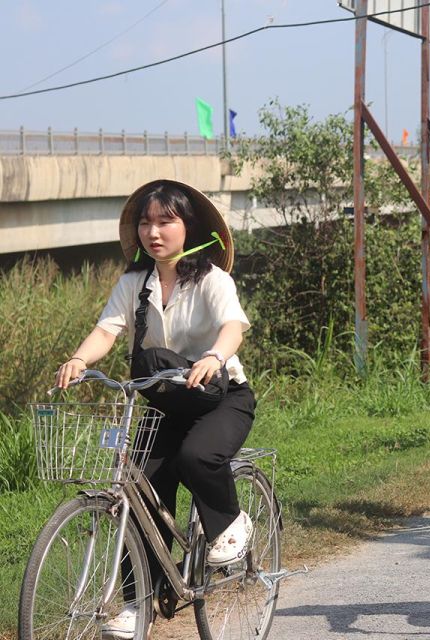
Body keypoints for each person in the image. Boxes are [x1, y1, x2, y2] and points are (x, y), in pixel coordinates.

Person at [56, 179, 256, 638]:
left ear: (190, 227)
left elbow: (233, 328)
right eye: (146, 222)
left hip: (223, 399)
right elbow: (106, 331)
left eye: (166, 220)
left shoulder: (212, 280)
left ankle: (231, 522)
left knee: (195, 456)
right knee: (140, 490)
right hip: (166, 404)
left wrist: (213, 356)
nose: (154, 231)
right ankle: (138, 603)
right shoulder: (134, 283)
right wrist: (79, 359)